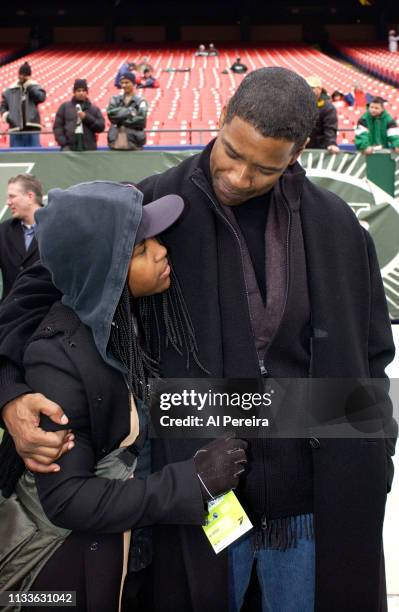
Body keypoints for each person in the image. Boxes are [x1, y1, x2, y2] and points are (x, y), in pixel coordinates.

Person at [0, 67, 396, 612]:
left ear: (298, 152)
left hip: (315, 503)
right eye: (231, 152)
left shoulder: (340, 230)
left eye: (264, 167)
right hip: (201, 501)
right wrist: (10, 392)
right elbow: (33, 294)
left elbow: (374, 358)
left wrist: (380, 457)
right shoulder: (149, 205)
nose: (237, 176)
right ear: (222, 117)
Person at [0, 180, 247, 609]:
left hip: (140, 546)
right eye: (140, 249)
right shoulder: (58, 357)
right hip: (64, 577)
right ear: (105, 271)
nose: (162, 251)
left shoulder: (130, 320)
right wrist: (193, 481)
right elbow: (69, 501)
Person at [0, 174, 42, 300]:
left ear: (30, 196)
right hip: (11, 314)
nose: (8, 202)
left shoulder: (57, 228)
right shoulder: (3, 231)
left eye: (12, 196)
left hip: (48, 314)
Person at [0, 62, 46, 147]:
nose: (22, 76)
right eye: (21, 74)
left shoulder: (34, 87)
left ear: (29, 76)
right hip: (15, 128)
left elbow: (41, 98)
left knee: (34, 156)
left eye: (25, 75)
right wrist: (8, 116)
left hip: (32, 128)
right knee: (17, 157)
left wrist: (29, 86)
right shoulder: (10, 90)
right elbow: (3, 107)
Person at [53, 79, 105, 151]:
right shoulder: (64, 107)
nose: (81, 93)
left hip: (89, 149)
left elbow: (101, 127)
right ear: (74, 92)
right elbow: (57, 127)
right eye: (78, 91)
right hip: (69, 149)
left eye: (83, 91)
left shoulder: (94, 109)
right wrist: (64, 144)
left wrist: (86, 118)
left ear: (87, 92)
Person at [107, 73, 148, 151]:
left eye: (127, 82)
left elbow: (141, 120)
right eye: (122, 83)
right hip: (115, 143)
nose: (124, 85)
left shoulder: (141, 101)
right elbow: (111, 115)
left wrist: (120, 120)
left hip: (134, 143)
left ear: (134, 84)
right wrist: (130, 112)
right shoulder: (115, 99)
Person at [305, 75, 340, 153]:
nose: (308, 90)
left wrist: (331, 143)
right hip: (302, 149)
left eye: (312, 88)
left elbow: (330, 128)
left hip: (320, 149)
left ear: (319, 89)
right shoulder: (300, 104)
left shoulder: (328, 107)